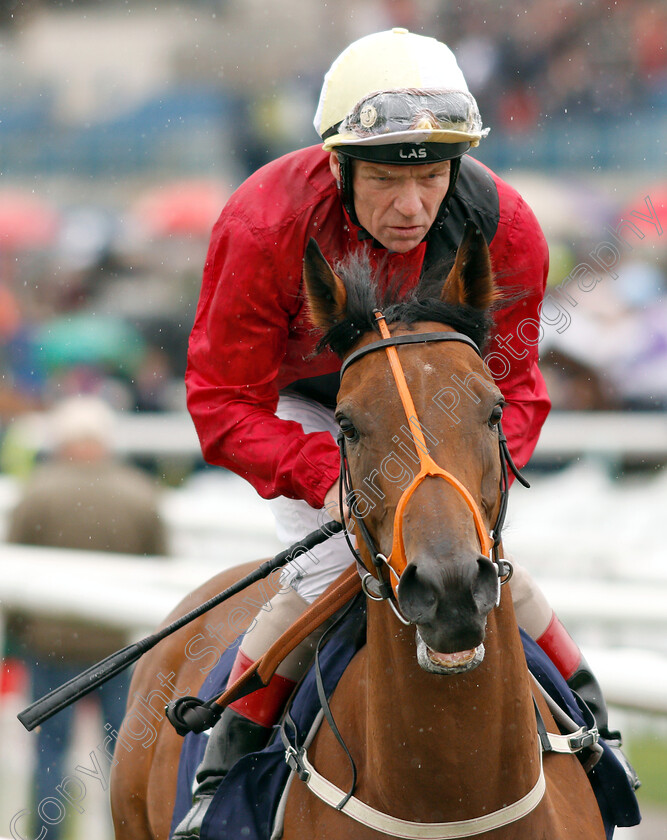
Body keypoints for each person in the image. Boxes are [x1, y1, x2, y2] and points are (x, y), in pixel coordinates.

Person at [176, 28, 633, 838]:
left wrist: (466, 474)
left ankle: (594, 734)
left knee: (472, 556)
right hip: (315, 407)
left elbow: (516, 387)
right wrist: (336, 475)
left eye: (429, 176)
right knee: (324, 571)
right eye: (388, 179)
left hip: (440, 410)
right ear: (339, 165)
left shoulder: (505, 225)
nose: (413, 206)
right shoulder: (261, 223)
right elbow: (221, 402)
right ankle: (224, 770)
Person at [6, 394, 168, 840]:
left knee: (50, 751)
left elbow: (14, 573)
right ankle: (131, 829)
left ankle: (46, 834)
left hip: (49, 647)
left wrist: (18, 638)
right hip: (117, 646)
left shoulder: (37, 490)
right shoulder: (139, 490)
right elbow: (161, 566)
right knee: (123, 754)